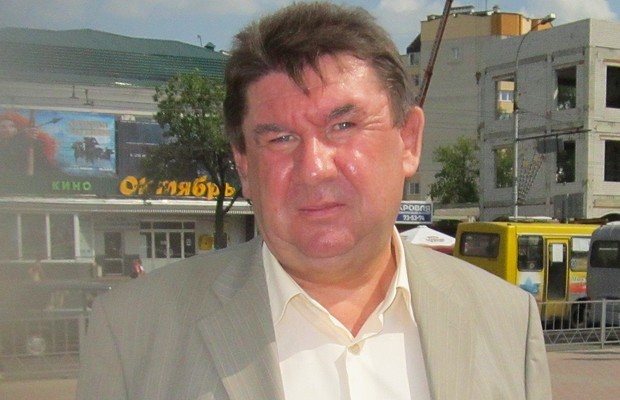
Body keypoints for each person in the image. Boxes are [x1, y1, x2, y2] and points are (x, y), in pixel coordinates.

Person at [77, 3, 551, 399]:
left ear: (408, 140)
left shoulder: (507, 320)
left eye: (343, 126)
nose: (314, 168)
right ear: (244, 165)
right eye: (280, 138)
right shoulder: (133, 332)